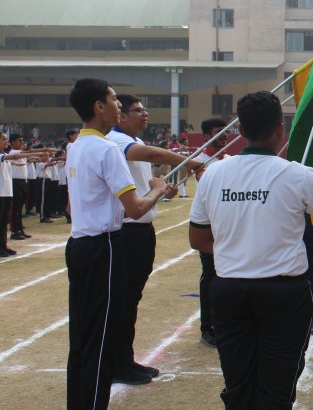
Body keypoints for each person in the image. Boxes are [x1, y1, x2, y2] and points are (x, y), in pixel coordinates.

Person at [189, 91, 313, 409]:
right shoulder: (299, 174)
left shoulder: (213, 174)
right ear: (280, 129)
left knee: (238, 383)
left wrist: (240, 252)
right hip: (283, 294)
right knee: (278, 386)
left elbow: (198, 239)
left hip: (229, 291)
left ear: (241, 130)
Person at [65, 78, 171, 410]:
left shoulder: (76, 146)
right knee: (102, 334)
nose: (118, 106)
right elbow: (135, 208)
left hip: (78, 245)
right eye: (114, 101)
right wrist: (157, 189)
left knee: (82, 335)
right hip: (104, 247)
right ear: (99, 106)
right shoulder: (108, 149)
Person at [106, 94, 197, 385]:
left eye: (145, 109)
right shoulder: (116, 141)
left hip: (141, 230)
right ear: (121, 116)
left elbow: (143, 186)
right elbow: (153, 156)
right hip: (126, 231)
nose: (145, 114)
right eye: (138, 110)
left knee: (131, 299)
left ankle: (125, 359)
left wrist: (161, 192)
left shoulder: (135, 142)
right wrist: (189, 161)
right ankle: (117, 363)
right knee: (122, 300)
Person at [193, 117, 229, 348]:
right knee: (210, 276)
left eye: (226, 132)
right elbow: (204, 181)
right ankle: (207, 328)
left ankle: (223, 323)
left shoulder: (228, 159)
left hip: (227, 225)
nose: (224, 136)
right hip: (209, 227)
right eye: (218, 132)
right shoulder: (199, 161)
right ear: (207, 136)